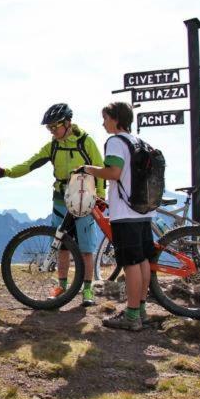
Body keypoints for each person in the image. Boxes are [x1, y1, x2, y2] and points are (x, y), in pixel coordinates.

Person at [0, 103, 105, 306]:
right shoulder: (53, 146)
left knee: (86, 249)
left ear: (67, 123)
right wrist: (7, 172)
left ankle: (88, 290)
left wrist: (101, 195)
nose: (52, 131)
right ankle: (61, 287)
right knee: (62, 246)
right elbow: (31, 163)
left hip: (84, 199)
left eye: (55, 127)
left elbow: (100, 168)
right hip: (60, 200)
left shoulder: (86, 141)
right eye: (49, 128)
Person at [79, 102, 155, 331]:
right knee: (142, 261)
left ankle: (131, 317)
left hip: (125, 211)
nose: (103, 123)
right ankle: (140, 310)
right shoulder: (139, 141)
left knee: (130, 264)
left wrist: (87, 169)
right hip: (143, 210)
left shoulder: (115, 142)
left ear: (115, 118)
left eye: (105, 118)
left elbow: (114, 172)